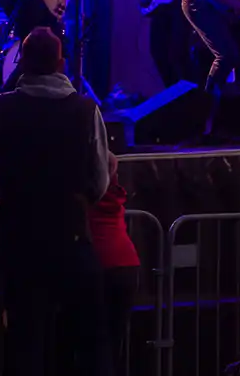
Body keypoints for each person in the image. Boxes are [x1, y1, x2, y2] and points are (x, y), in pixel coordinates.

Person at [0, 26, 110, 375]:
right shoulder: (86, 110)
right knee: (84, 342)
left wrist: (0, 206)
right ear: (61, 63)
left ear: (22, 63)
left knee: (25, 339)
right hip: (72, 237)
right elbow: (100, 179)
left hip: (21, 238)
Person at [89, 155, 142, 376]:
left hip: (98, 266)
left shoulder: (82, 198)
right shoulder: (114, 194)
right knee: (113, 342)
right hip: (126, 263)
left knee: (92, 345)